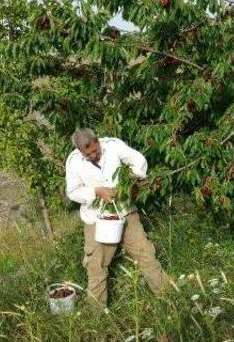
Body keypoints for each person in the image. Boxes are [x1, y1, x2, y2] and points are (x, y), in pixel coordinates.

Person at [65, 128, 169, 306]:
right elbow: (73, 192)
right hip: (97, 219)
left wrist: (129, 180)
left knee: (146, 255)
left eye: (95, 151)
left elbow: (139, 161)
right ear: (80, 151)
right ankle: (97, 318)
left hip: (125, 211)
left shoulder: (113, 146)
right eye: (88, 154)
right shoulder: (74, 162)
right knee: (96, 267)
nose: (93, 156)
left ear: (97, 141)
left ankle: (169, 298)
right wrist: (96, 192)